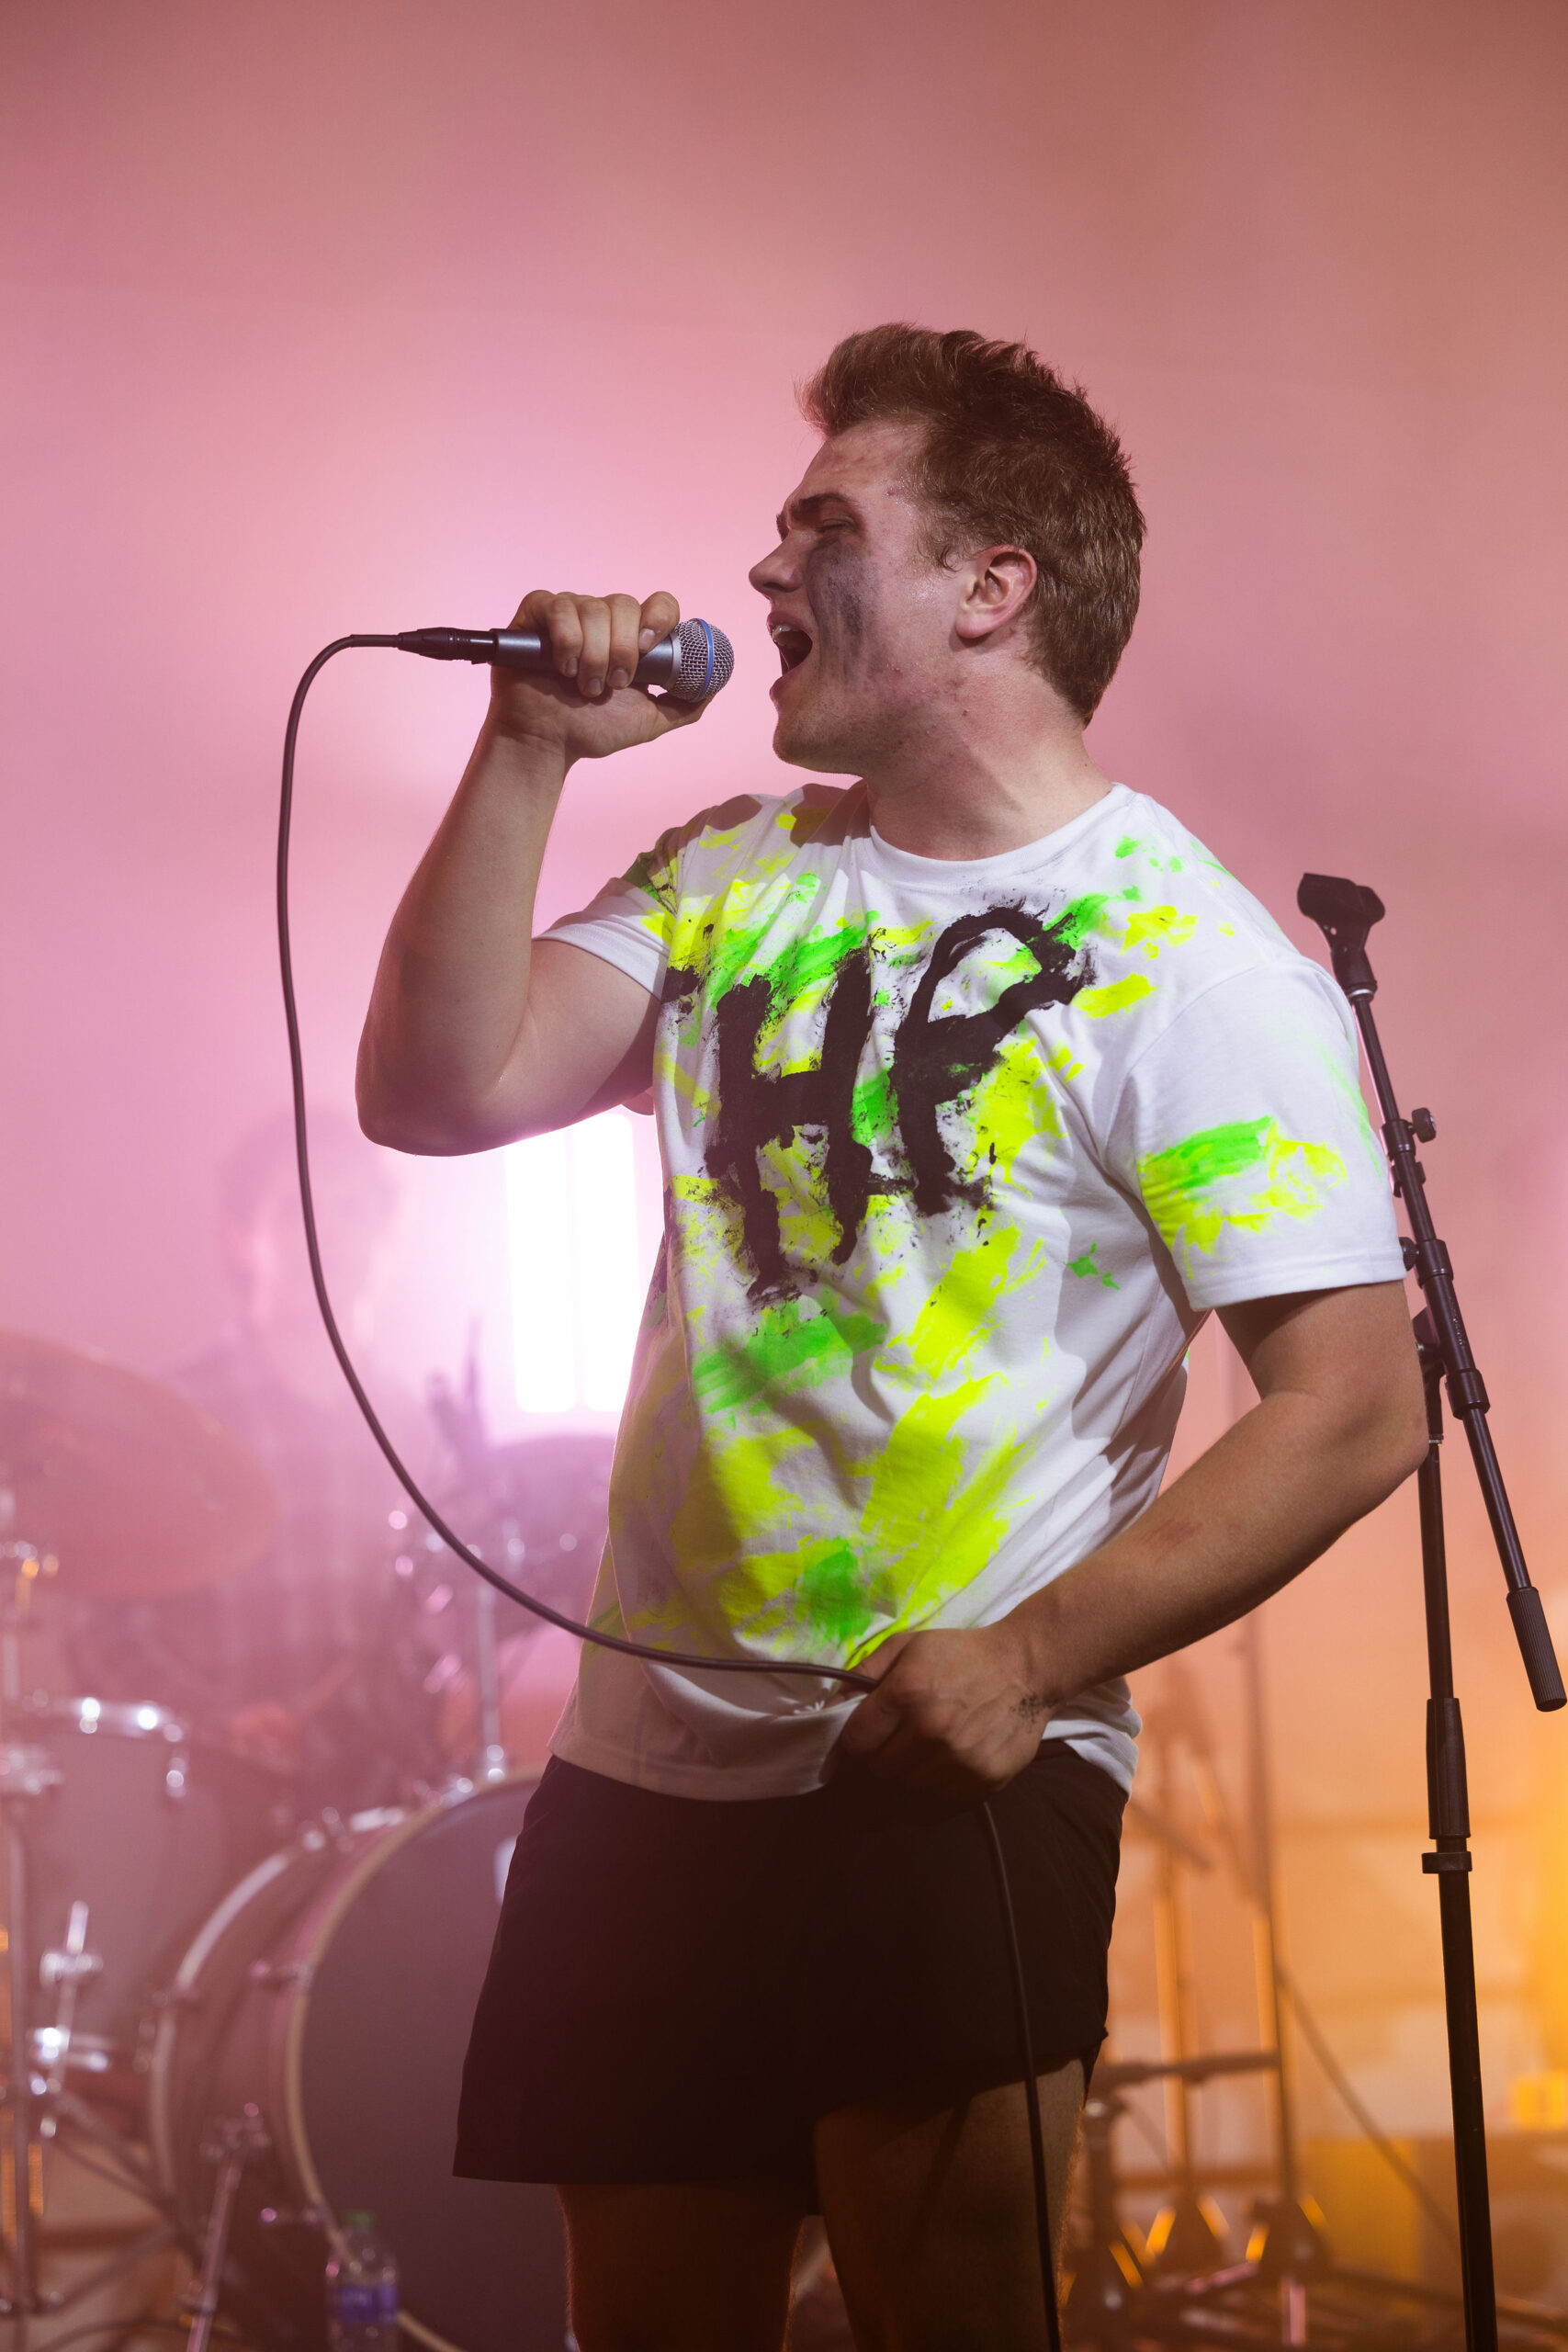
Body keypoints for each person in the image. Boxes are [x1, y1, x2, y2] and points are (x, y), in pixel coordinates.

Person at [356, 326, 1427, 2351]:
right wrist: (524, 751)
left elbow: (1354, 1409)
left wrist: (1031, 1655)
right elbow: (434, 1089)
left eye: (825, 528)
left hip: (941, 1768)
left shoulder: (1184, 958)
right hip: (644, 1762)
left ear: (991, 584)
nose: (763, 571)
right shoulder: (728, 869)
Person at [65, 1107, 445, 1814]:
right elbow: (101, 1631)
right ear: (239, 1240)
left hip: (383, 1814)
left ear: (387, 1235)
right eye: (298, 1212)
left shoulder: (420, 1431)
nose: (331, 1234)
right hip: (204, 1806)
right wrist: (215, 1721)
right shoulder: (174, 1417)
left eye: (354, 1210)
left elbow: (443, 1635)